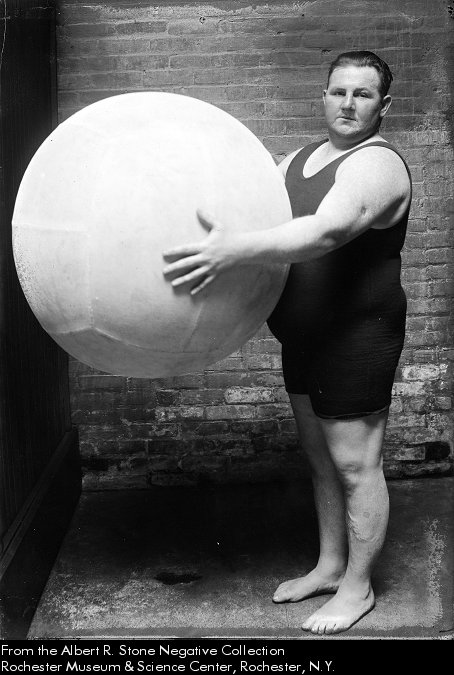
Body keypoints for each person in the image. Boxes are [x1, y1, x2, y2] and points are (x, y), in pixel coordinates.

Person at [162, 51, 412, 635]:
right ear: (323, 96)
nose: (347, 104)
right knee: (321, 461)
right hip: (302, 335)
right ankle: (330, 567)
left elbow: (327, 230)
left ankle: (358, 588)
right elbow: (252, 213)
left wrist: (231, 250)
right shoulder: (296, 160)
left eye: (362, 94)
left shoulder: (377, 166)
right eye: (338, 92)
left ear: (383, 106)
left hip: (357, 337)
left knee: (356, 466)